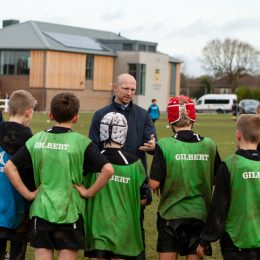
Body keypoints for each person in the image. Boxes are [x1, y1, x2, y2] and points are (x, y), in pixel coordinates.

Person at [4, 92, 114, 260]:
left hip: (41, 210)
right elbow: (108, 169)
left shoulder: (37, 139)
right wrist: (88, 192)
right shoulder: (82, 142)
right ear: (76, 118)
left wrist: (28, 194)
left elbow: (10, 166)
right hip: (70, 212)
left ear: (50, 115)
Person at [89, 73, 156, 260]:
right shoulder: (100, 115)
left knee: (135, 225)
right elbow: (92, 148)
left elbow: (152, 142)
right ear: (115, 87)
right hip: (107, 183)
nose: (129, 93)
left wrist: (153, 147)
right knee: (104, 225)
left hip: (133, 181)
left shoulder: (143, 115)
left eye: (133, 89)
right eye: (125, 88)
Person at [149, 95, 221, 260]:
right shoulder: (209, 144)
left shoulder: (164, 145)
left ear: (171, 121)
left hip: (170, 214)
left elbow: (154, 184)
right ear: (193, 118)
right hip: (199, 214)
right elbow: (217, 178)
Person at [75, 112, 147, 259]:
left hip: (96, 228)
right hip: (124, 230)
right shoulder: (135, 164)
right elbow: (143, 199)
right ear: (123, 133)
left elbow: (76, 185)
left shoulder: (89, 159)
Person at [197, 114, 260, 260]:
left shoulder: (230, 165)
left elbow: (219, 206)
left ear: (238, 135)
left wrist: (205, 240)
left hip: (236, 242)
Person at [0, 90, 37, 260]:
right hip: (20, 210)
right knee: (17, 255)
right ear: (29, 112)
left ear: (8, 110)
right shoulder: (32, 143)